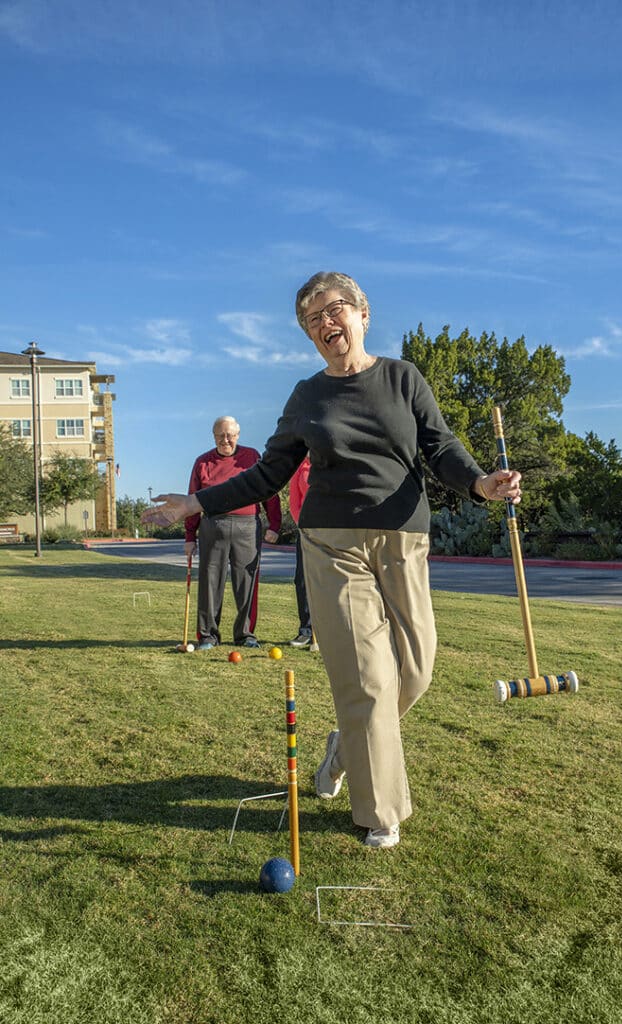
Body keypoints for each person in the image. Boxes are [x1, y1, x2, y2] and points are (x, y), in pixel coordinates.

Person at [143, 272, 522, 848]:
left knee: (415, 672)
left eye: (335, 308)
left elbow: (439, 447)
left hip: (402, 539)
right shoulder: (306, 396)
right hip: (330, 543)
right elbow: (268, 473)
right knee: (368, 680)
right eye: (313, 318)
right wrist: (196, 501)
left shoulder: (403, 378)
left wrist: (480, 485)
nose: (326, 322)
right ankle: (380, 812)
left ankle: (343, 751)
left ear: (363, 314)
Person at [184, 415, 281, 650]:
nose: (225, 439)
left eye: (229, 435)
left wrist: (275, 525)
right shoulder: (202, 462)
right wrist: (189, 537)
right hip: (213, 526)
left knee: (247, 581)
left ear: (237, 435)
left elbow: (268, 490)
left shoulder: (252, 457)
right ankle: (208, 635)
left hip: (247, 526)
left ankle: (245, 634)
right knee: (209, 581)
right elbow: (192, 501)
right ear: (214, 436)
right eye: (220, 435)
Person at [288, 454, 312, 647]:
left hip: (331, 531)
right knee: (303, 580)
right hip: (306, 531)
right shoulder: (300, 467)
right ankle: (306, 630)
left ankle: (330, 631)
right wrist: (302, 525)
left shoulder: (333, 461)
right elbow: (294, 503)